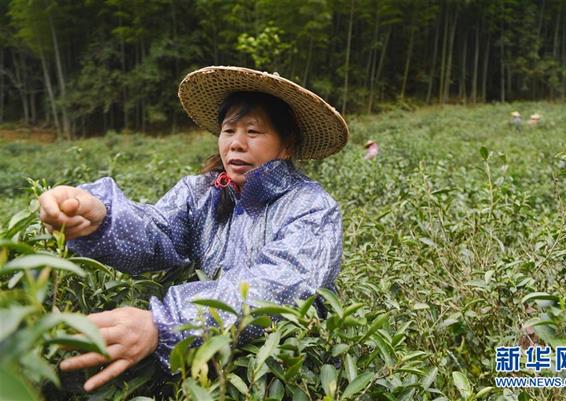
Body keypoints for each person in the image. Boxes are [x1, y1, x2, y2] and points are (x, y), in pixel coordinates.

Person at [38, 66, 349, 392]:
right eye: (229, 131)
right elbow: (156, 233)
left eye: (253, 132)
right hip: (205, 365)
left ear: (287, 145)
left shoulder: (312, 207)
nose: (236, 144)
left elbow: (282, 289)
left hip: (281, 375)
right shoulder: (201, 193)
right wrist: (101, 217)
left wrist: (167, 323)